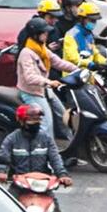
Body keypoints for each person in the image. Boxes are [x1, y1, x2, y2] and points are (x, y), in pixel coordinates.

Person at [15, 15, 79, 143]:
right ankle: (43, 150)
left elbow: (58, 62)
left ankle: (69, 144)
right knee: (46, 124)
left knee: (64, 116)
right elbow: (30, 77)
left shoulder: (42, 49)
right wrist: (49, 82)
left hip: (43, 89)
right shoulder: (26, 53)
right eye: (44, 33)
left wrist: (78, 70)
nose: (46, 35)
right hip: (32, 93)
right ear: (35, 35)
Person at [0, 103, 70, 184]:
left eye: (38, 119)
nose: (36, 123)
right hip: (19, 182)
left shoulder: (46, 138)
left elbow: (55, 158)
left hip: (42, 181)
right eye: (32, 120)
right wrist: (1, 171)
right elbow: (3, 158)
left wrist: (62, 174)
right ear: (22, 121)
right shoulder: (12, 138)